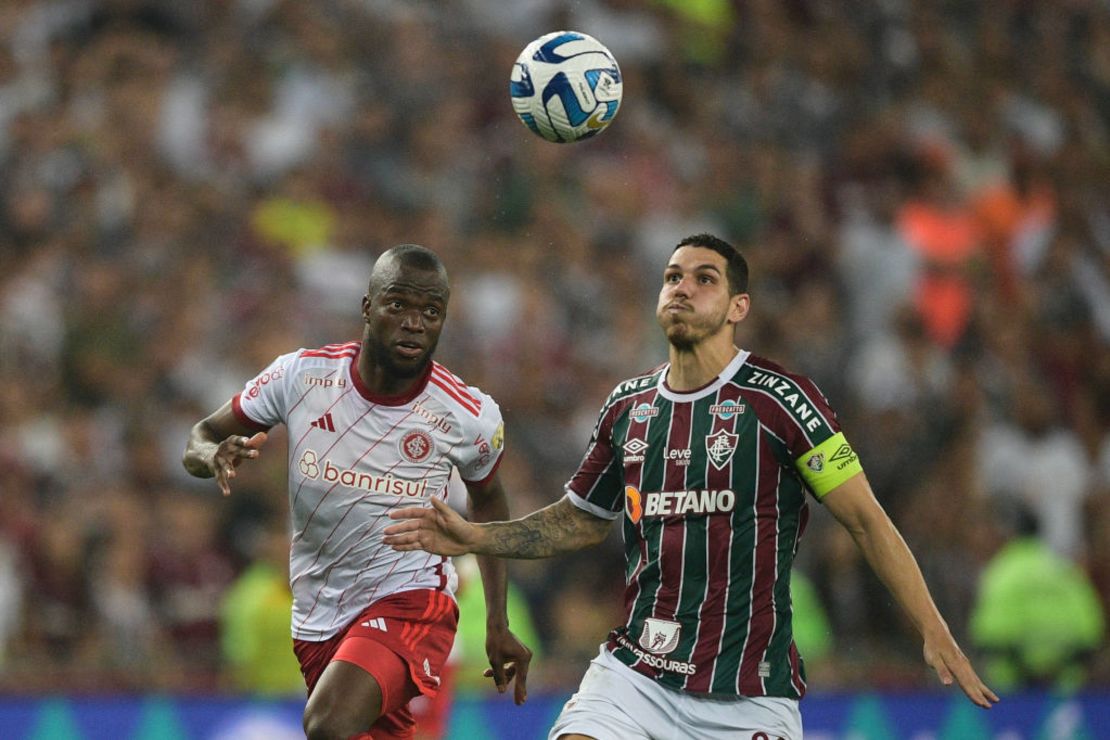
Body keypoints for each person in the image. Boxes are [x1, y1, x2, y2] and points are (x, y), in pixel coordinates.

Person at [384, 233, 998, 739]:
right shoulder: (629, 406)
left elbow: (866, 519)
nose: (683, 287)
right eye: (673, 276)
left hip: (747, 693)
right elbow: (579, 520)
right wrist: (473, 534)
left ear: (739, 307)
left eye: (705, 278)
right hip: (637, 675)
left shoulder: (784, 401)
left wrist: (934, 630)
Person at [183, 244, 532, 740]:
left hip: (411, 600)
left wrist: (498, 620)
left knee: (328, 724)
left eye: (431, 312)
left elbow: (490, 501)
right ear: (368, 307)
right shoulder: (300, 378)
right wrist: (210, 456)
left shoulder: (466, 414)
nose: (415, 323)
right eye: (399, 306)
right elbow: (201, 435)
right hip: (318, 614)